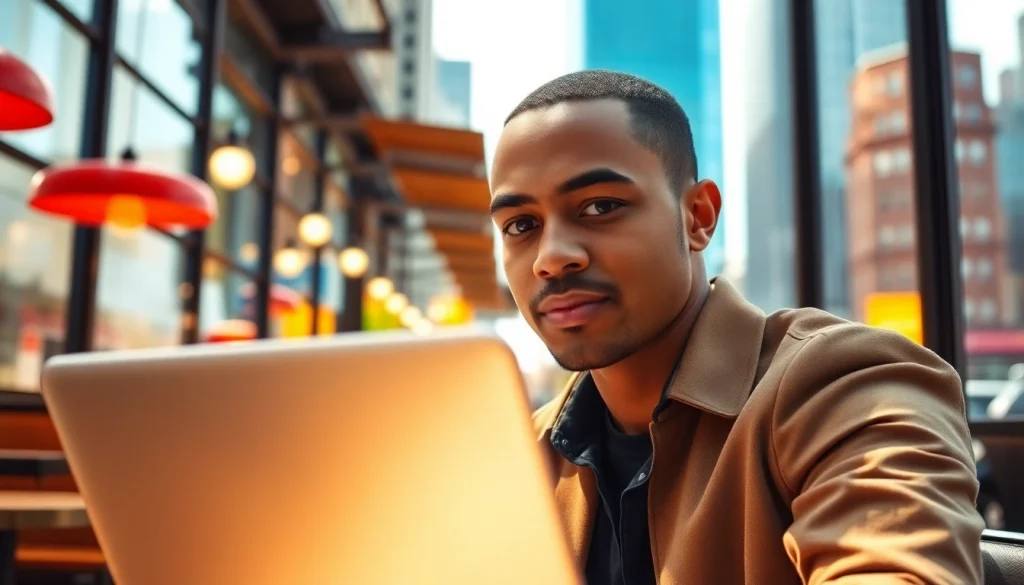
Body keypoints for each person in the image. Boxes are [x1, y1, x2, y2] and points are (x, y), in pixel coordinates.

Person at [489, 70, 984, 585]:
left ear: (699, 217)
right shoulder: (524, 454)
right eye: (521, 225)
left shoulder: (842, 382)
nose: (552, 258)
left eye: (600, 206)